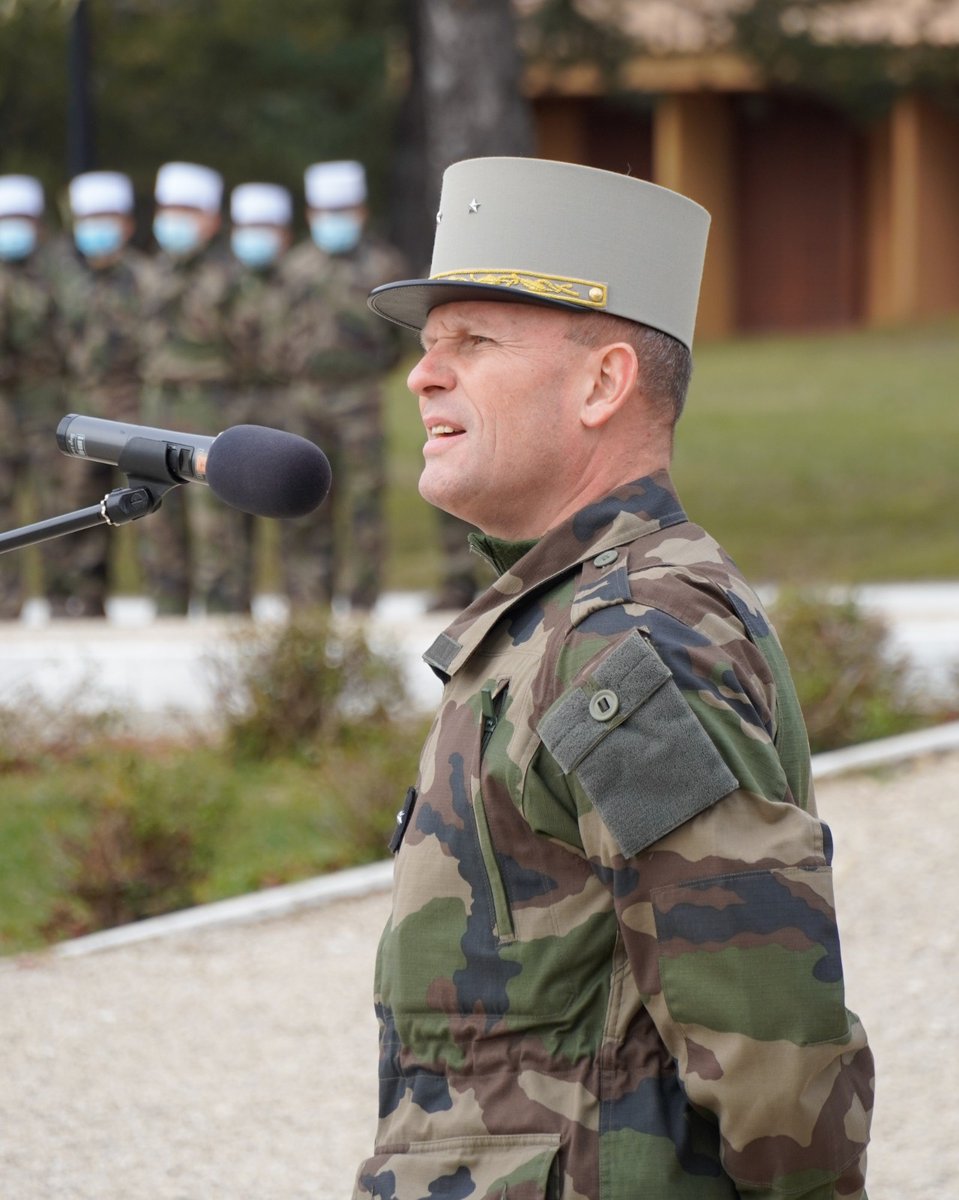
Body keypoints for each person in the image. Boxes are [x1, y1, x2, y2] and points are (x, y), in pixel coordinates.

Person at [352, 157, 874, 1199]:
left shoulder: (630, 642)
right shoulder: (554, 618)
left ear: (602, 384)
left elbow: (767, 1029)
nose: (424, 375)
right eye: (425, 346)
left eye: (472, 343)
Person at [278, 159, 406, 611]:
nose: (333, 219)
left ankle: (362, 602)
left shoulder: (382, 263)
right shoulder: (293, 268)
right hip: (304, 398)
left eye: (343, 209)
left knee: (365, 501)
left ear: (361, 211)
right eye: (324, 210)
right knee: (302, 499)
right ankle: (307, 604)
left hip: (360, 395)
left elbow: (397, 336)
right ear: (310, 215)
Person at [139, 161, 250, 614]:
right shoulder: (144, 275)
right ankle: (166, 615)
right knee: (156, 519)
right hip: (155, 403)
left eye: (187, 209)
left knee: (216, 524)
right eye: (168, 208)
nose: (175, 219)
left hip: (212, 404)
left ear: (212, 219)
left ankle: (225, 622)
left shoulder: (231, 277)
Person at [53, 169, 149, 616]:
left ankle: (162, 606)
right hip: (81, 406)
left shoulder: (148, 281)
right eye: (88, 218)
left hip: (138, 408)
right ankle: (81, 608)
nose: (97, 227)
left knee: (149, 510)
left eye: (107, 217)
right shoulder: (63, 282)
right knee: (78, 512)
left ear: (127, 224)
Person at [0, 174, 66, 619]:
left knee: (59, 508)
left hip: (48, 404)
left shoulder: (59, 274)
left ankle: (68, 603)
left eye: (21, 219)